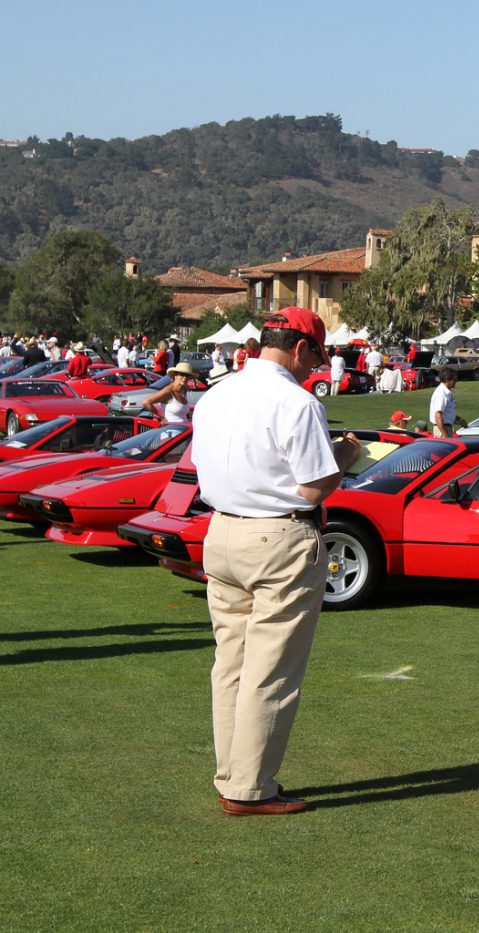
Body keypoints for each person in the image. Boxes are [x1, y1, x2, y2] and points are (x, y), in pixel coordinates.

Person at [190, 306, 359, 815]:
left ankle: (234, 776)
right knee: (272, 671)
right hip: (279, 536)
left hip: (220, 530)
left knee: (232, 665)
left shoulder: (216, 393)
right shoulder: (297, 401)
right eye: (315, 358)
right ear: (302, 349)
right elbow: (312, 487)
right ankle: (249, 788)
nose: (314, 368)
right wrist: (346, 455)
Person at [428, 367, 462, 437]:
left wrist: (460, 420)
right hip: (442, 429)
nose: (455, 381)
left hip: (446, 427)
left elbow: (447, 413)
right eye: (454, 379)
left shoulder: (446, 392)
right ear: (447, 380)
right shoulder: (441, 394)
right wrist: (444, 434)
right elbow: (438, 415)